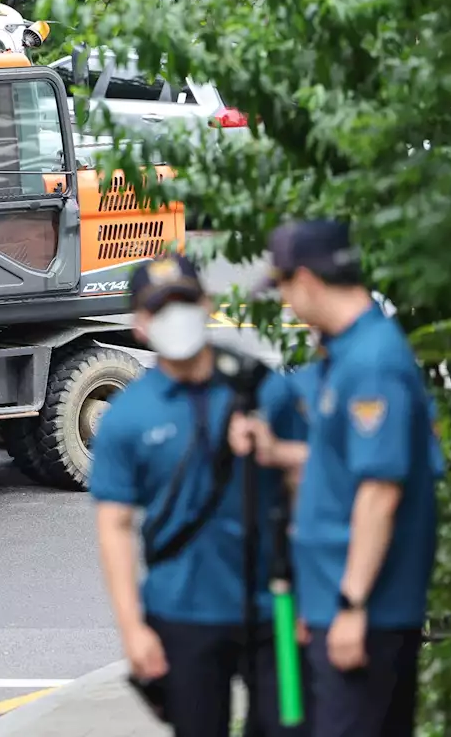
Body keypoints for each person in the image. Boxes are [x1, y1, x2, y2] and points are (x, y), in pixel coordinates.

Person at [230, 220, 443, 737]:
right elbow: (346, 472)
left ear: (305, 279)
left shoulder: (372, 362)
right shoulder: (349, 355)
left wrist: (350, 605)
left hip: (368, 611)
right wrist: (279, 452)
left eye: (282, 287)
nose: (286, 301)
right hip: (339, 602)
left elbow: (379, 491)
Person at [90, 254, 309, 737]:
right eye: (160, 307)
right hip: (182, 612)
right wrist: (132, 629)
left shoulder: (261, 389)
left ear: (206, 304)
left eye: (185, 302)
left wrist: (311, 595)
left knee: (290, 726)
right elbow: (115, 526)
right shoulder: (128, 416)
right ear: (140, 324)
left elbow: (307, 485)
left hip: (275, 608)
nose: (175, 316)